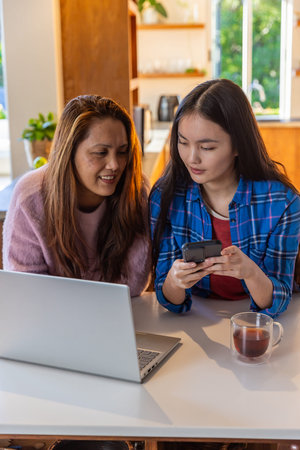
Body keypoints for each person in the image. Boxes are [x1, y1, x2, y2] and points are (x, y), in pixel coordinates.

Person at [150, 78, 300, 318]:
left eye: (206, 148)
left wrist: (250, 272)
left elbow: (278, 300)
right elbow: (168, 299)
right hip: (197, 318)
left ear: (238, 145)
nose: (192, 158)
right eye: (183, 142)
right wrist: (175, 280)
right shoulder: (165, 196)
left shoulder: (282, 203)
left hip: (253, 320)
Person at [3, 95, 151, 297]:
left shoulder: (137, 190)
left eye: (123, 152)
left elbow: (133, 285)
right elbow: (27, 291)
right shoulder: (30, 198)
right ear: (69, 152)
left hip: (115, 315)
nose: (115, 165)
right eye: (100, 152)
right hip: (49, 320)